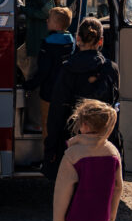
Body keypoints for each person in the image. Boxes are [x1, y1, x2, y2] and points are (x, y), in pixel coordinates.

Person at [46, 17, 120, 177]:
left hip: (73, 138)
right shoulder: (110, 68)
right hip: (102, 141)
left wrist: (51, 145)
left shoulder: (67, 68)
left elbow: (56, 110)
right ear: (100, 41)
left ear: (77, 39)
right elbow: (114, 107)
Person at [18, 0, 62, 133]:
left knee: (33, 81)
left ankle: (35, 121)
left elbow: (46, 10)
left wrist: (23, 9)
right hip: (39, 38)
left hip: (37, 39)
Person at [22, 7, 75, 142]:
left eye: (49, 19)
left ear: (56, 24)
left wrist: (29, 85)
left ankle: (49, 157)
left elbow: (43, 71)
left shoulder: (47, 43)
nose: (46, 21)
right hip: (66, 92)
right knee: (63, 126)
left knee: (47, 126)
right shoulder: (72, 41)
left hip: (48, 93)